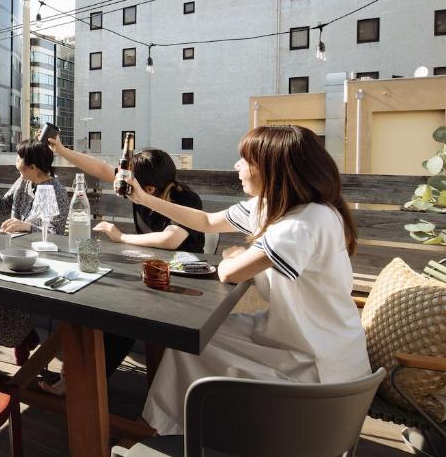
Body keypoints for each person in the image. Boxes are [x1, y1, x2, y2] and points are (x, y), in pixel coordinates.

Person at [129, 125, 370, 435]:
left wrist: (237, 258)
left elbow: (230, 273)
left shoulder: (304, 222)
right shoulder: (277, 206)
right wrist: (145, 199)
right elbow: (207, 222)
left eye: (245, 160)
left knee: (190, 345)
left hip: (314, 361)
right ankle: (170, 427)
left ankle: (165, 430)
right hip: (296, 335)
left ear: (273, 168)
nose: (237, 166)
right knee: (190, 339)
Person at [48, 140, 204, 379]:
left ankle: (84, 386)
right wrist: (61, 151)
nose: (124, 184)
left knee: (121, 321)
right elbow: (100, 169)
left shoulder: (186, 200)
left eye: (130, 182)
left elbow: (170, 240)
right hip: (146, 273)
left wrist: (121, 237)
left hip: (183, 284)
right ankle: (78, 379)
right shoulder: (142, 184)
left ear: (149, 190)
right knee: (95, 306)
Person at [0, 140, 70, 364]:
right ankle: (21, 336)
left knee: (6, 287)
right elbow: (1, 209)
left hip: (39, 259)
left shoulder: (54, 191)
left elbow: (53, 234)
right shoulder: (24, 181)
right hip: (12, 250)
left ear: (33, 167)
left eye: (19, 159)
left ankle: (20, 337)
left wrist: (28, 226)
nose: (16, 163)